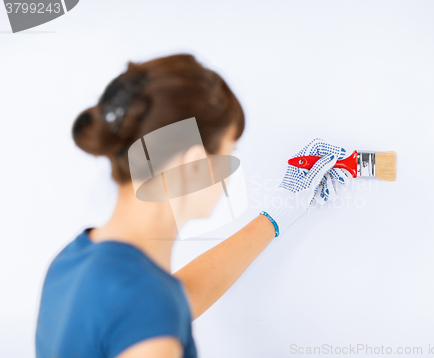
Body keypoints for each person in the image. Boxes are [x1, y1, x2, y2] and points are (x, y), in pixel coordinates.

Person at [35, 54, 347, 358]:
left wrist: (283, 210)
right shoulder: (148, 308)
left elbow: (172, 299)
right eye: (229, 156)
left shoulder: (74, 261)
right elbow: (151, 309)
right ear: (195, 165)